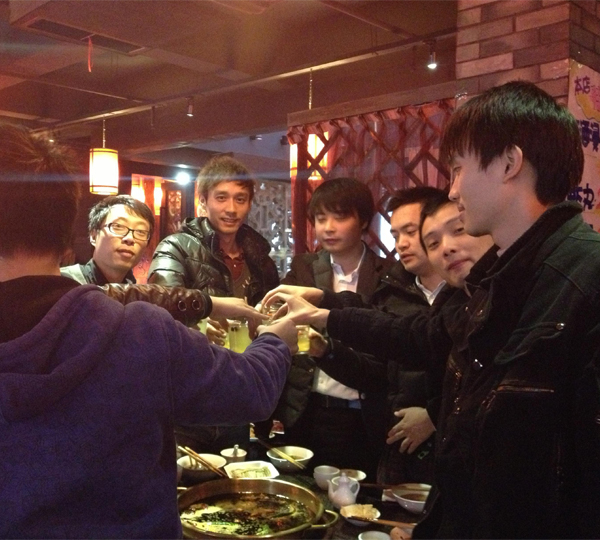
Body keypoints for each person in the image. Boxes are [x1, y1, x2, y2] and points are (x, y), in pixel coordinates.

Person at [269, 81, 600, 539]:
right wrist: (324, 310)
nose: (453, 189)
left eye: (459, 169)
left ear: (509, 163)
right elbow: (419, 337)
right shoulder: (499, 277)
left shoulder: (583, 279)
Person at [0, 122, 296, 538]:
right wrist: (278, 337)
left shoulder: (142, 320)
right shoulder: (140, 333)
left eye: (139, 232)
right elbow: (254, 387)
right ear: (75, 231)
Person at [147, 154, 280, 453]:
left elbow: (272, 317)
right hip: (189, 400)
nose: (231, 208)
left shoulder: (260, 259)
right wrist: (198, 326)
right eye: (221, 197)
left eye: (240, 199)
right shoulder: (176, 247)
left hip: (238, 394)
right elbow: (159, 308)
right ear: (203, 201)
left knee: (235, 479)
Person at [262, 177, 391, 476]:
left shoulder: (387, 274)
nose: (328, 228)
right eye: (321, 219)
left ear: (363, 221)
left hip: (363, 417)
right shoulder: (303, 268)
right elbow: (277, 318)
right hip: (307, 412)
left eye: (340, 217)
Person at [61, 194, 154, 285]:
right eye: (118, 226)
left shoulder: (136, 292)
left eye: (140, 231)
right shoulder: (65, 283)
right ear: (94, 236)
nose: (129, 238)